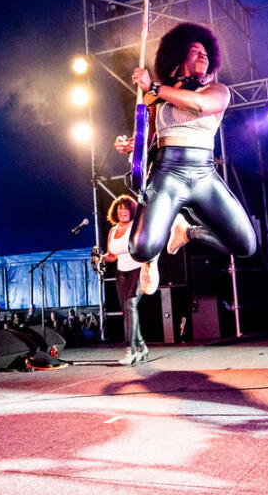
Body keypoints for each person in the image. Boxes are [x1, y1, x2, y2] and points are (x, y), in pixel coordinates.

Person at [115, 22, 257, 266]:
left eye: (205, 51)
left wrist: (154, 86)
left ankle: (186, 232)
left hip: (204, 175)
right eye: (194, 49)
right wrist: (130, 144)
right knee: (140, 250)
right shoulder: (153, 97)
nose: (203, 54)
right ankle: (155, 255)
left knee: (246, 245)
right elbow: (145, 140)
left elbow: (199, 105)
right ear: (179, 54)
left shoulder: (217, 90)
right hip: (166, 173)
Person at [101, 194, 149, 365]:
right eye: (120, 208)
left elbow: (146, 247)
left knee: (131, 306)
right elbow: (112, 255)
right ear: (116, 212)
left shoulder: (136, 226)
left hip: (137, 269)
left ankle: (131, 350)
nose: (123, 211)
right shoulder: (113, 231)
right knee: (127, 312)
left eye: (126, 208)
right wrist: (101, 258)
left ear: (132, 210)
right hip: (121, 273)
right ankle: (143, 347)